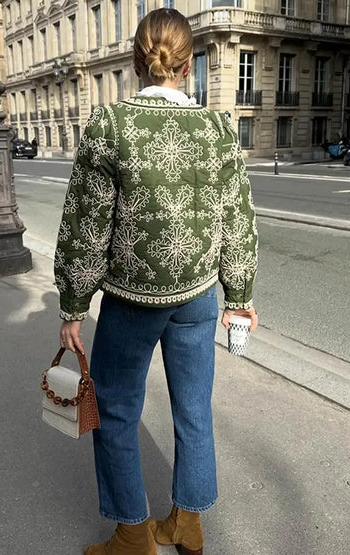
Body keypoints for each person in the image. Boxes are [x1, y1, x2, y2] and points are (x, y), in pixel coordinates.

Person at [55, 8, 258, 555]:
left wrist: (73, 305)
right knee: (193, 410)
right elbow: (236, 218)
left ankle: (132, 533)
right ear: (189, 65)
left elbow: (86, 225)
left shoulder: (111, 126)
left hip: (132, 301)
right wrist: (239, 297)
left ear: (135, 61)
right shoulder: (218, 129)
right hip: (198, 296)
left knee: (117, 410)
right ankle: (187, 525)